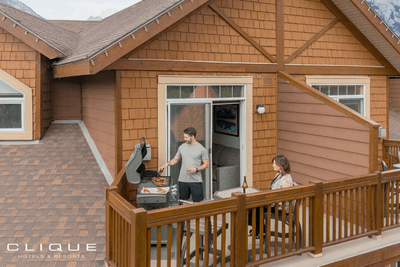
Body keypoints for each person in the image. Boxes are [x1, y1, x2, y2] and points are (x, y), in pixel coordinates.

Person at [248, 155, 296, 238]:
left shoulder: (286, 179)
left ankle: (259, 231)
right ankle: (259, 229)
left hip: (280, 207)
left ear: (281, 165)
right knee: (252, 207)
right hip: (273, 202)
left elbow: (285, 196)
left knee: (256, 208)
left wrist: (269, 201)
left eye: (275, 164)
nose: (273, 165)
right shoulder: (278, 174)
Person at [160, 127, 209, 202]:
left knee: (199, 204)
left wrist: (195, 170)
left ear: (192, 137)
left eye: (186, 137)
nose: (184, 139)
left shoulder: (201, 149)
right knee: (184, 202)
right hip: (183, 180)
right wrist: (167, 164)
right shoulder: (182, 147)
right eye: (184, 137)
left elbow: (206, 164)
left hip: (196, 181)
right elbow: (175, 159)